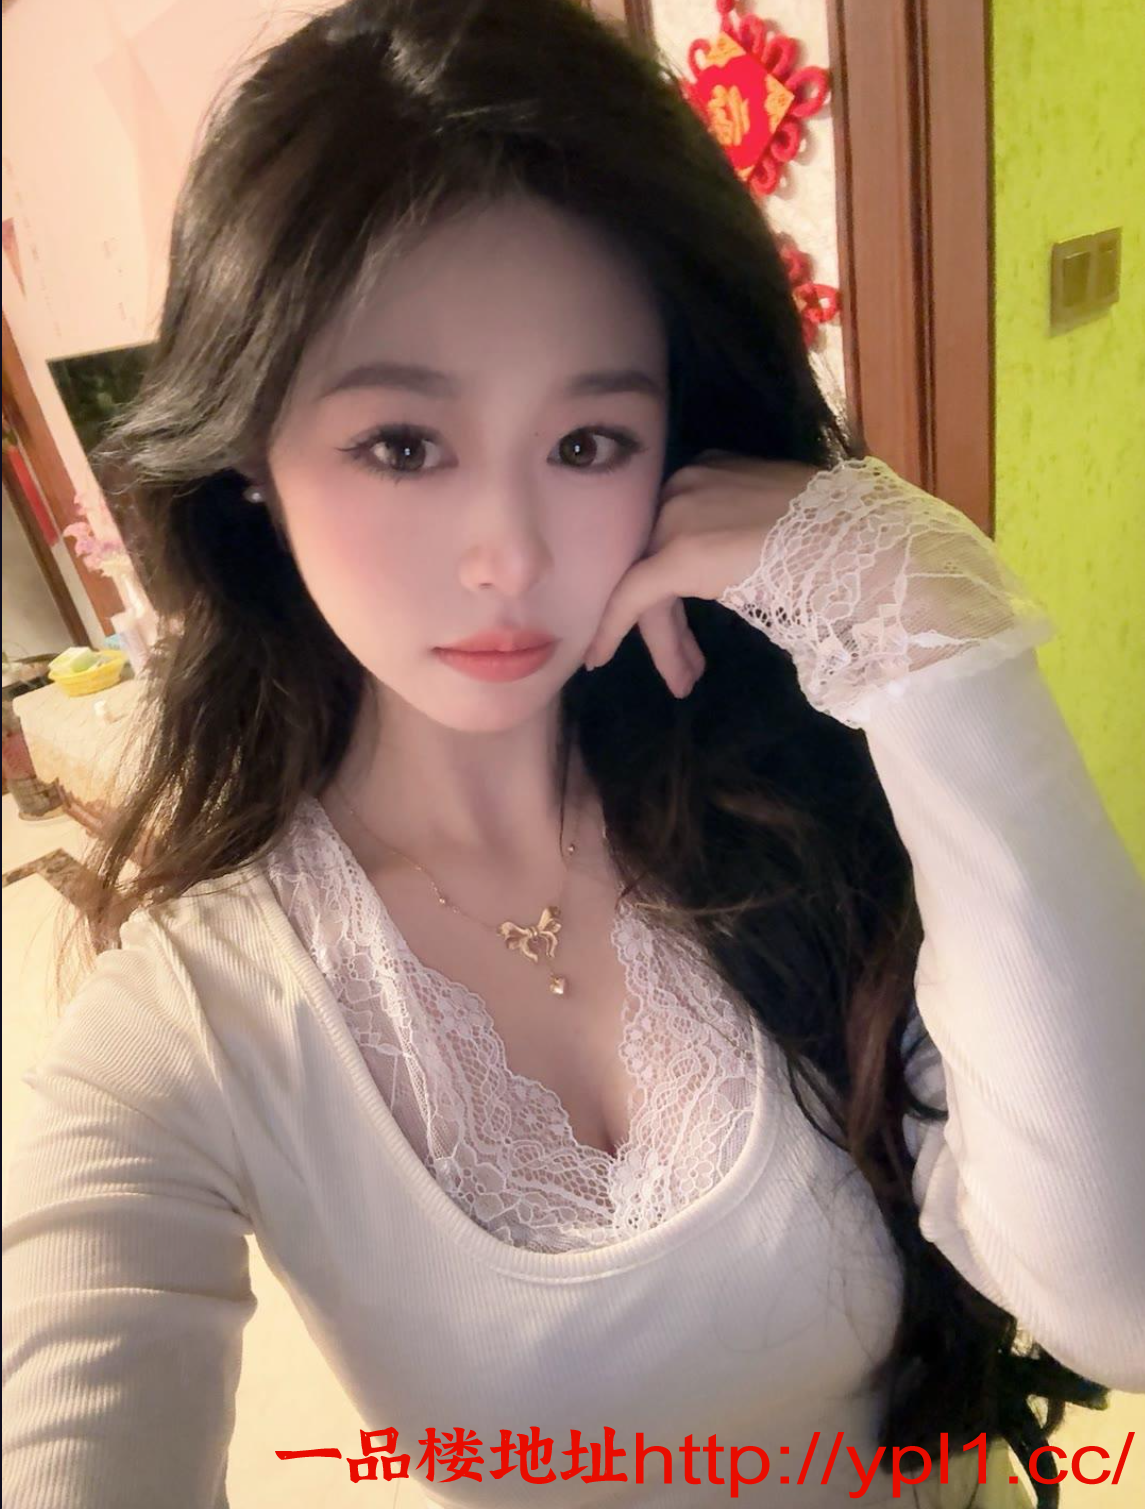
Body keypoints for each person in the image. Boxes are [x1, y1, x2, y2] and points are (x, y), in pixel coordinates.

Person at [4, 2, 1143, 1506]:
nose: (510, 556)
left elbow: (1119, 1300)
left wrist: (927, 615)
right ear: (253, 465)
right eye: (403, 445)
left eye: (588, 443)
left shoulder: (816, 772)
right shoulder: (189, 1025)